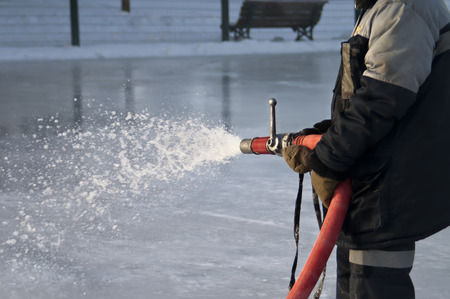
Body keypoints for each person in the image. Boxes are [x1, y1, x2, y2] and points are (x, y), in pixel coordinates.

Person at [282, 0, 450, 298]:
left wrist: (328, 159)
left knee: (370, 284)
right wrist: (329, 134)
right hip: (377, 176)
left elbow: (382, 99)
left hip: (387, 185)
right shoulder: (383, 7)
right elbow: (368, 96)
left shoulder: (403, 8)